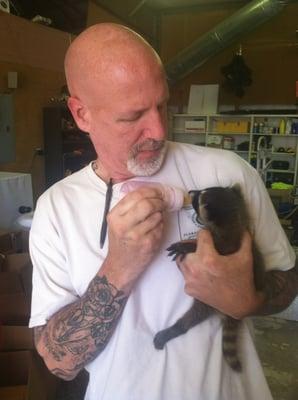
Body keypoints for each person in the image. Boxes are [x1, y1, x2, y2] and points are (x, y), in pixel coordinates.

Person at [29, 23, 298, 400]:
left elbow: (287, 278)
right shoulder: (57, 209)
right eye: (132, 116)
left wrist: (250, 298)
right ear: (81, 114)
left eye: (162, 105)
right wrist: (118, 267)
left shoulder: (228, 173)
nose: (157, 129)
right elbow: (59, 362)